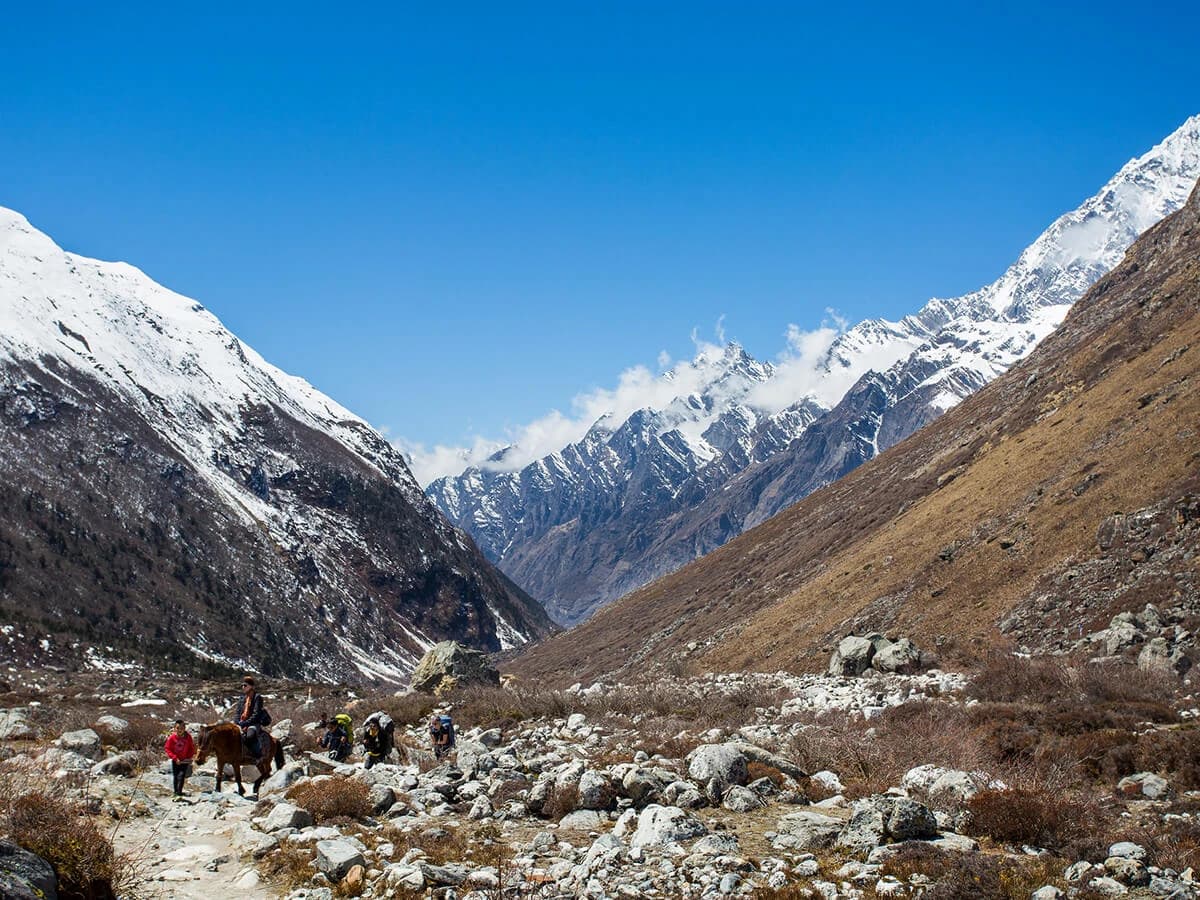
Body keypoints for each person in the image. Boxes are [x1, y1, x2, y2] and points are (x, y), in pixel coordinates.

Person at [236, 675, 270, 758]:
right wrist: (237, 721)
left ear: (251, 686)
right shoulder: (242, 699)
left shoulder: (257, 698)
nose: (243, 687)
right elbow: (237, 712)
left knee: (250, 735)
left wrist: (245, 723)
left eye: (245, 685)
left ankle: (257, 755)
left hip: (253, 723)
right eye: (242, 685)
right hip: (241, 723)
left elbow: (256, 714)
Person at [164, 720, 196, 799]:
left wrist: (189, 756)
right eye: (178, 728)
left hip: (184, 760)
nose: (180, 730)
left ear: (184, 728)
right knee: (176, 776)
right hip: (175, 760)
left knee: (181, 776)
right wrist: (174, 758)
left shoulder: (188, 737)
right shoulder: (172, 738)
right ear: (175, 728)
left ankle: (179, 792)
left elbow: (191, 748)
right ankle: (176, 792)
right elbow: (167, 748)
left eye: (181, 728)